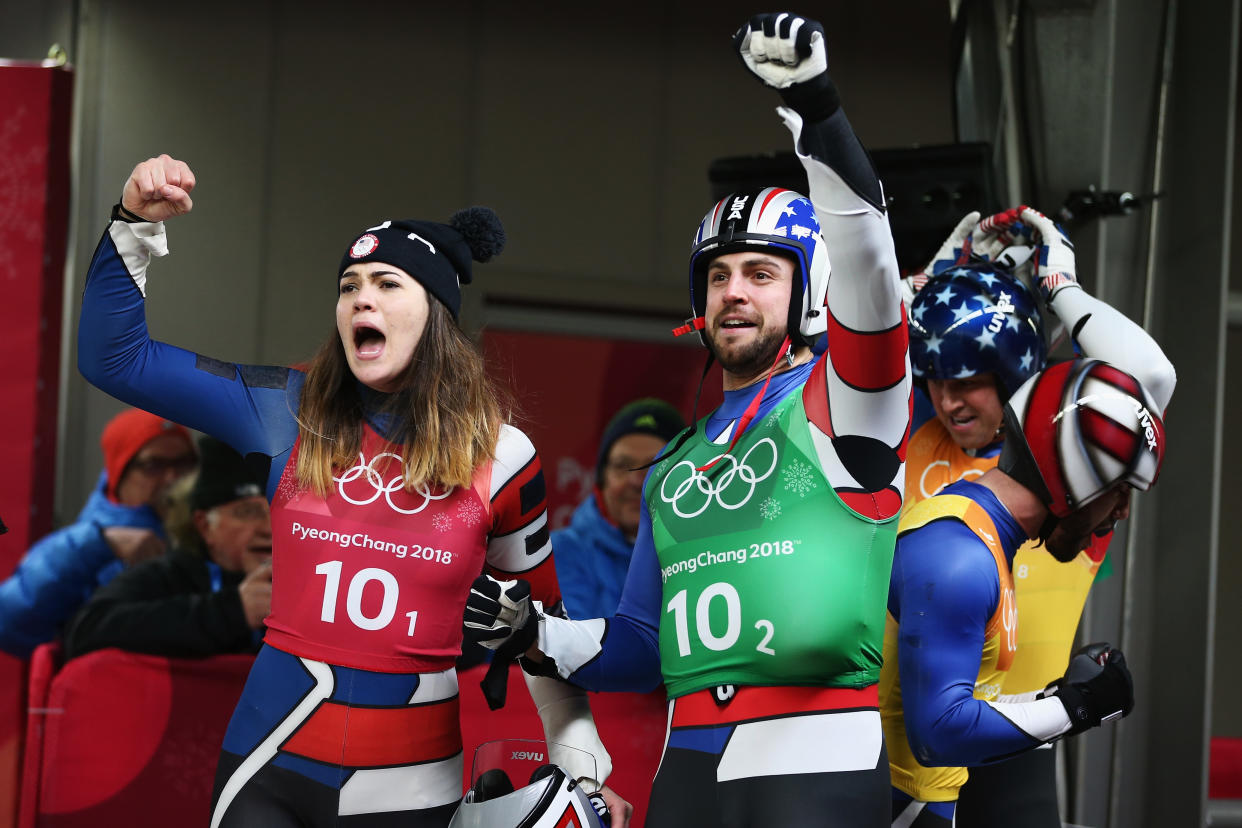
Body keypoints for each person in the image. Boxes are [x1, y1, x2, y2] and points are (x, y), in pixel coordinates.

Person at [78, 160, 630, 827]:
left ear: (436, 314)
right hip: (267, 760)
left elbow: (539, 634)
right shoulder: (287, 411)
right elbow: (114, 359)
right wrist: (134, 223)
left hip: (408, 785)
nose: (361, 299)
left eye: (386, 284)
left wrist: (583, 763)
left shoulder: (504, 457)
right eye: (349, 286)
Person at [464, 13, 910, 826]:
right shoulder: (671, 465)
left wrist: (817, 107)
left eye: (762, 273)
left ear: (812, 293)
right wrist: (536, 633)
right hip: (689, 771)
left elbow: (872, 270)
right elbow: (640, 647)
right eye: (719, 275)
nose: (734, 291)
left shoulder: (854, 405)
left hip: (818, 766)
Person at [880, 211, 1176, 827]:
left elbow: (1151, 378)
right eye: (933, 379)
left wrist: (1058, 285)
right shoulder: (901, 439)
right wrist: (919, 287)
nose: (947, 398)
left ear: (1013, 375)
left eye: (970, 381)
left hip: (1016, 744)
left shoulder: (1076, 466)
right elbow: (821, 364)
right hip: (904, 749)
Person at [0, 407, 196, 657]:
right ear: (119, 471)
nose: (173, 477)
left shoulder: (209, 530)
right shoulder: (84, 545)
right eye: (153, 465)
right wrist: (98, 544)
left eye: (184, 463)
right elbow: (10, 624)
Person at [63, 436, 273, 660]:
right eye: (248, 512)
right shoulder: (168, 576)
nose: (269, 528)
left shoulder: (309, 584)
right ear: (204, 526)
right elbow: (85, 631)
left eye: (278, 512)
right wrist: (233, 611)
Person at [553, 398, 685, 619]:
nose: (635, 481)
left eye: (654, 466)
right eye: (623, 466)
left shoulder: (702, 554)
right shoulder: (560, 553)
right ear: (602, 479)